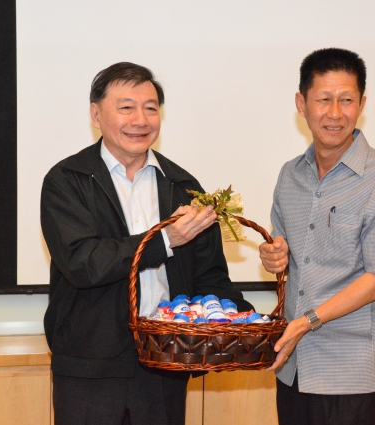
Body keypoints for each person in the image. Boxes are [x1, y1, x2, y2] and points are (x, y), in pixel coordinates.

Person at [41, 62, 252, 425]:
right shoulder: (68, 180)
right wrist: (165, 239)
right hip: (90, 371)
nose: (140, 120)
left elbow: (210, 277)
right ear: (96, 115)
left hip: (165, 366)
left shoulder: (184, 186)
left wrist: (244, 323)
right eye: (126, 107)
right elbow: (83, 262)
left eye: (151, 108)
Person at [259, 48, 375, 425]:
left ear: (361, 104)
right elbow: (284, 249)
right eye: (323, 99)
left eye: (346, 100)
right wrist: (274, 256)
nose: (335, 113)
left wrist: (306, 322)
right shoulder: (290, 175)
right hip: (293, 368)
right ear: (301, 104)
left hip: (352, 374)